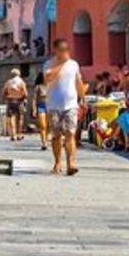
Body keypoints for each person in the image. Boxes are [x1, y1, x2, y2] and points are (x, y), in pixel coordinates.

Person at [44, 39, 84, 176]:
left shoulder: (74, 65)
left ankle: (71, 163)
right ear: (55, 50)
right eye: (61, 50)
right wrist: (61, 64)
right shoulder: (48, 64)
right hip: (53, 105)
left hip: (71, 104)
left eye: (66, 50)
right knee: (56, 136)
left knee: (70, 133)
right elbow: (48, 78)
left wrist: (82, 97)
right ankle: (57, 162)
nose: (64, 53)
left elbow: (78, 82)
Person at [1, 69, 28, 142]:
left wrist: (6, 97)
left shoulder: (8, 82)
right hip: (19, 101)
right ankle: (19, 135)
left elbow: (4, 92)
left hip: (10, 100)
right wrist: (22, 97)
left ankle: (13, 135)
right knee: (20, 118)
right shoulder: (21, 82)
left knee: (11, 118)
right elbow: (25, 93)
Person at [32, 73, 49, 151]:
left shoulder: (51, 85)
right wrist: (34, 109)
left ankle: (47, 139)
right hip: (41, 106)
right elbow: (34, 99)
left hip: (50, 106)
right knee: (43, 125)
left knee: (48, 125)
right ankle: (44, 142)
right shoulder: (38, 87)